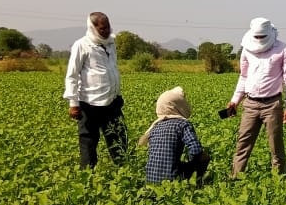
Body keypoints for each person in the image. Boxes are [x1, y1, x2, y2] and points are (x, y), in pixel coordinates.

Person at [226, 17, 286, 177]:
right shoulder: (247, 49)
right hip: (250, 103)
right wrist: (235, 100)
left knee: (275, 145)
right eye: (256, 37)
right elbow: (243, 77)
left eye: (261, 37)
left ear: (270, 33)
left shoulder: (284, 50)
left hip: (272, 104)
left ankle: (279, 180)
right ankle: (235, 178)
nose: (259, 40)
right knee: (243, 143)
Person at [63, 12, 127, 168]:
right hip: (89, 103)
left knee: (119, 138)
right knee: (88, 142)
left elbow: (112, 69)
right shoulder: (81, 45)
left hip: (112, 102)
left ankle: (124, 171)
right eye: (102, 28)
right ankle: (88, 175)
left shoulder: (111, 44)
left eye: (107, 27)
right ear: (92, 27)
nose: (106, 31)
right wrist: (73, 103)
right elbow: (72, 75)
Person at [139, 86, 210, 184]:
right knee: (204, 157)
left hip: (150, 182)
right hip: (171, 180)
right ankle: (198, 184)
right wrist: (192, 164)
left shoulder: (155, 127)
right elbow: (195, 150)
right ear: (179, 105)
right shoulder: (182, 124)